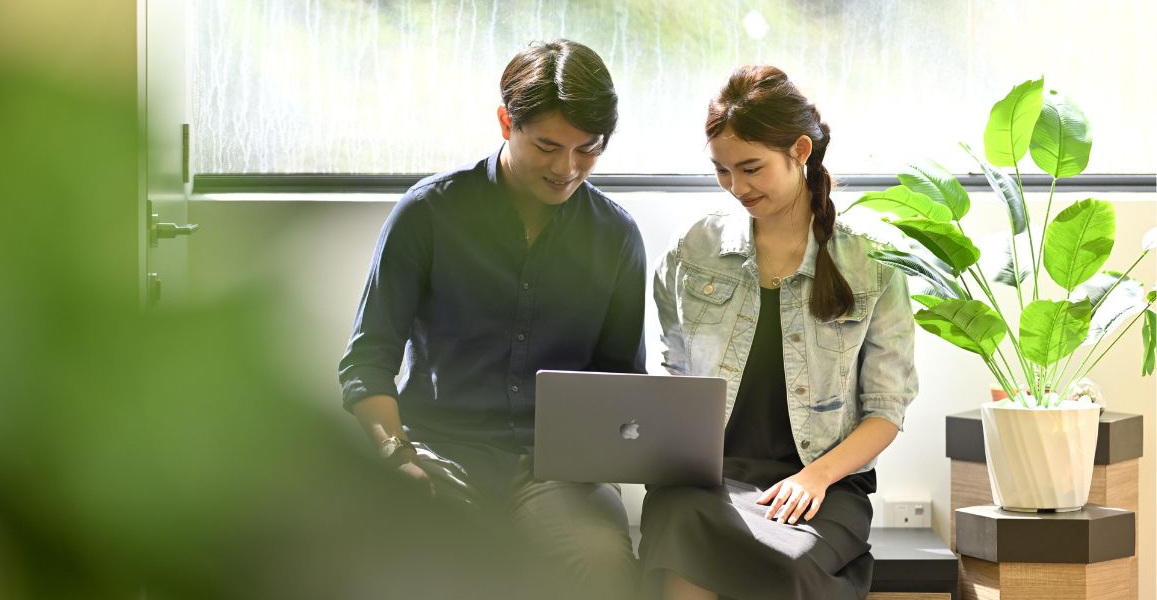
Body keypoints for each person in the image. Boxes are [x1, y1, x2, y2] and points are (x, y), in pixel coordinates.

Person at [338, 39, 646, 598]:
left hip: (561, 472)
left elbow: (621, 381)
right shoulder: (429, 213)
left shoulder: (616, 236)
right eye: (548, 146)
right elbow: (367, 359)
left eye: (588, 150)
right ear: (507, 122)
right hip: (438, 453)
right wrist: (396, 455)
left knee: (602, 561)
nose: (567, 169)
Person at [639, 65, 918, 600]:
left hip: (824, 483)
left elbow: (887, 409)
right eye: (723, 171)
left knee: (790, 568)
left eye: (751, 169)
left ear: (800, 151)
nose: (737, 187)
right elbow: (670, 381)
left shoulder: (872, 264)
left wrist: (815, 477)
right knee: (680, 545)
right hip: (706, 482)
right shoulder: (692, 251)